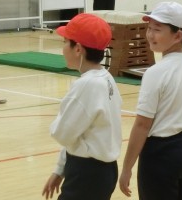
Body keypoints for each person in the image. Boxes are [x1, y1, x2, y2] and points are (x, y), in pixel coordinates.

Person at [119, 1, 182, 200]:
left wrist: (127, 167)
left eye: (157, 29)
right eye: (149, 28)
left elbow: (142, 124)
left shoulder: (155, 72)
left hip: (161, 154)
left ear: (178, 36)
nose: (150, 34)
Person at [42, 13, 122, 200]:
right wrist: (60, 169)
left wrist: (60, 116)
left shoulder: (87, 85)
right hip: (102, 171)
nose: (63, 48)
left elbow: (62, 133)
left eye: (65, 42)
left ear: (78, 49)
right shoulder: (106, 78)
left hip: (87, 174)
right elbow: (78, 135)